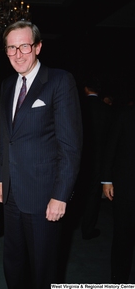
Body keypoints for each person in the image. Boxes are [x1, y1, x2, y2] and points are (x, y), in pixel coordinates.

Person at [0, 21, 82, 288]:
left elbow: (70, 146)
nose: (18, 54)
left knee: (44, 268)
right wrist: (1, 179)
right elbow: (5, 138)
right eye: (12, 48)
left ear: (38, 47)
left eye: (24, 46)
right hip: (11, 194)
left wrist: (60, 196)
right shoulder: (7, 84)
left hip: (44, 196)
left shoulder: (59, 80)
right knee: (13, 262)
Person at [102, 105, 135, 283]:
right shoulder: (125, 114)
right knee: (123, 235)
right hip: (127, 186)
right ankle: (118, 280)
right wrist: (106, 180)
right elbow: (111, 146)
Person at [79, 77, 112, 239]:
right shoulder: (107, 109)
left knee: (75, 191)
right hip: (99, 159)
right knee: (93, 195)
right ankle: (87, 229)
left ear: (86, 89)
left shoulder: (78, 106)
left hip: (79, 157)